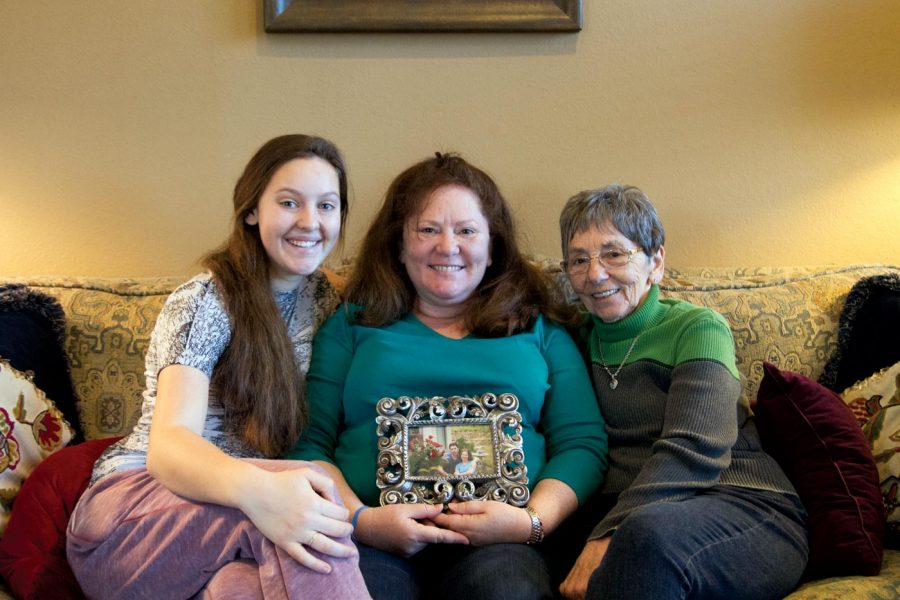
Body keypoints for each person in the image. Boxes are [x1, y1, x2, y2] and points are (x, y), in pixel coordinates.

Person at [287, 153, 608, 600]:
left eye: (467, 230)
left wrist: (530, 522)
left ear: (492, 246)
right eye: (428, 229)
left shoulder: (539, 329)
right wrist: (361, 520)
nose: (448, 246)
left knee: (507, 592)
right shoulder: (351, 326)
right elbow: (309, 443)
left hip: (503, 544)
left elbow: (582, 444)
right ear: (399, 244)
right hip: (374, 539)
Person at [66, 135, 371, 599]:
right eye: (289, 202)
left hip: (222, 543)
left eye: (327, 206)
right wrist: (266, 493)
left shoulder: (329, 301)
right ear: (252, 210)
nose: (310, 222)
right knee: (313, 510)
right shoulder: (206, 300)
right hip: (129, 521)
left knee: (242, 589)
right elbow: (171, 446)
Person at [556, 184, 809, 600]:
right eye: (579, 260)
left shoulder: (698, 328)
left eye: (614, 254)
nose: (595, 274)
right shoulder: (571, 339)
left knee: (645, 537)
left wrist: (609, 533)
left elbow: (695, 448)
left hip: (742, 504)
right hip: (634, 517)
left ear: (655, 262)